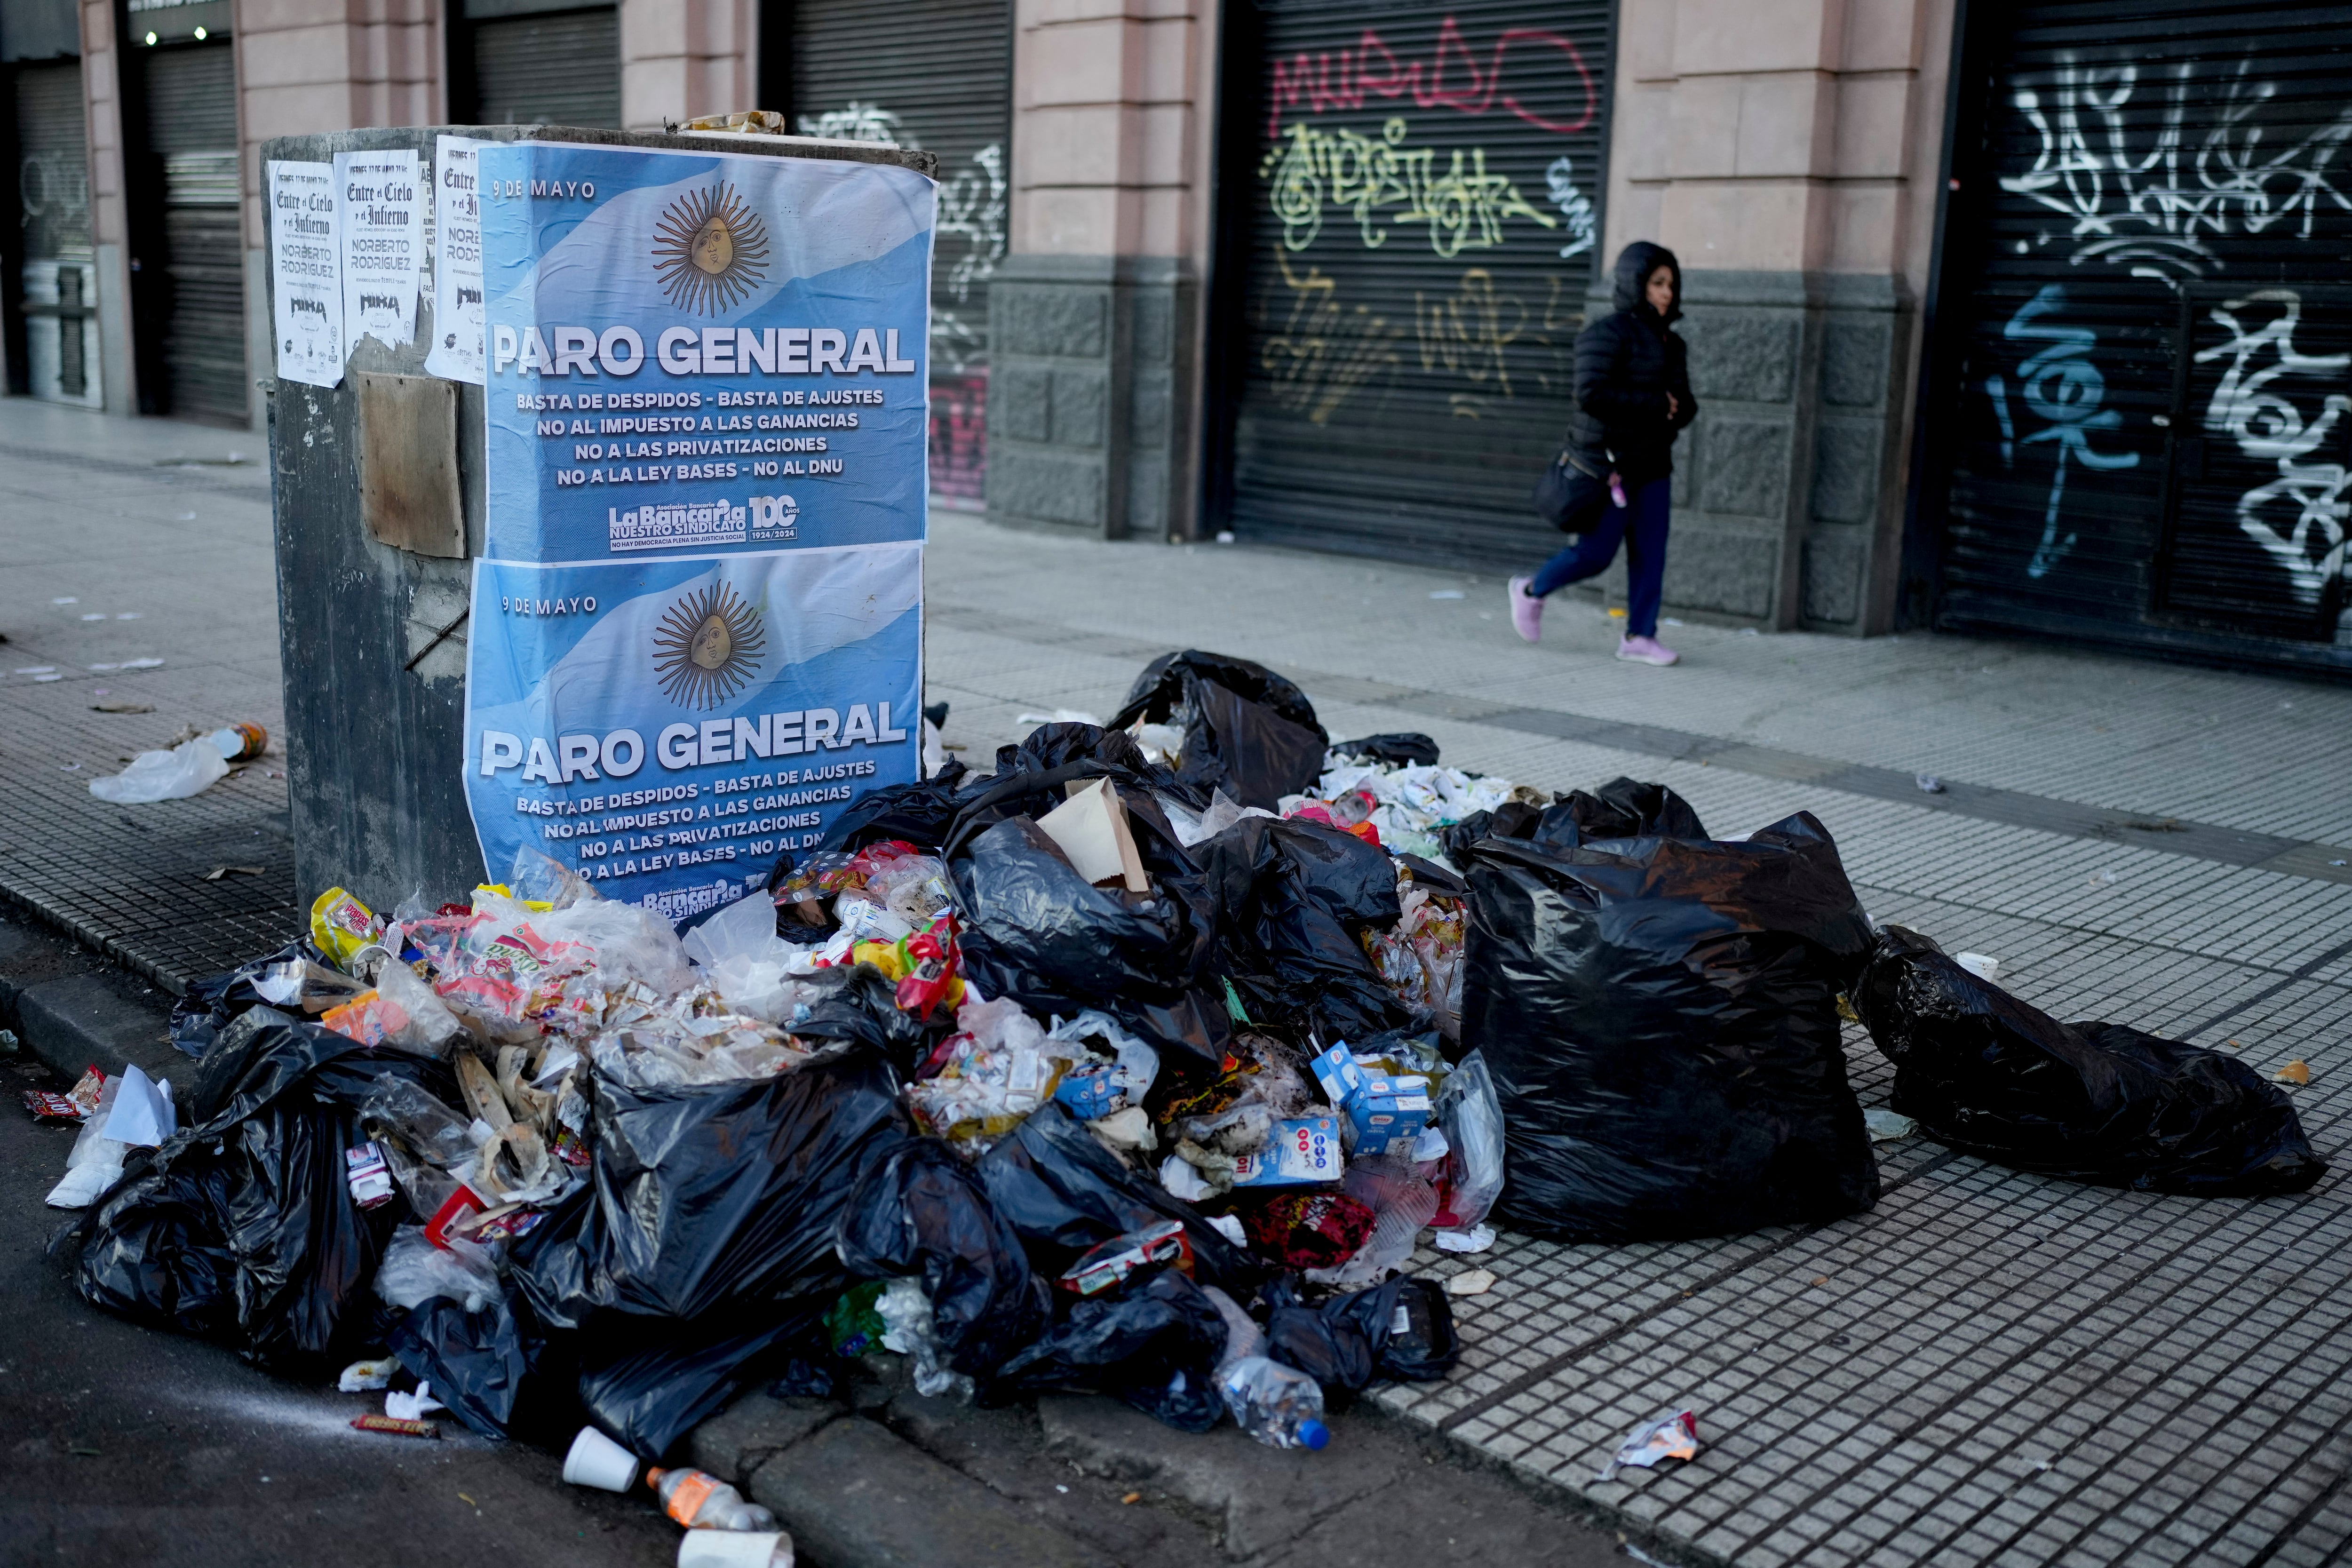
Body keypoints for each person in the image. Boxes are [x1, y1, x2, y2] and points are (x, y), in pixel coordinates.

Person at [1510, 241, 1698, 665]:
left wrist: (1676, 408)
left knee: (1651, 556)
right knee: (1594, 555)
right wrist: (1656, 404)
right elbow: (1591, 393)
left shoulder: (1673, 344)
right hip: (1611, 468)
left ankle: (1640, 636)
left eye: (1671, 283)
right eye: (1657, 283)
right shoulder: (1605, 333)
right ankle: (1530, 590)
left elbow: (1684, 404)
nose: (1667, 293)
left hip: (1654, 466)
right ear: (1636, 285)